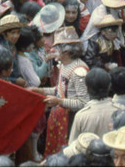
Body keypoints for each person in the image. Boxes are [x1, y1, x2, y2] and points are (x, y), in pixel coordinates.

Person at [32, 27, 89, 156]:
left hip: (71, 120)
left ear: (67, 51)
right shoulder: (63, 65)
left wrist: (59, 101)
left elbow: (84, 103)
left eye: (57, 49)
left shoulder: (79, 71)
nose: (53, 51)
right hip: (58, 117)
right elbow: (59, 90)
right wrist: (41, 90)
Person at [69, 68, 125, 141]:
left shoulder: (80, 116)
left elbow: (73, 145)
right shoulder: (121, 110)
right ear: (109, 87)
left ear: (86, 89)